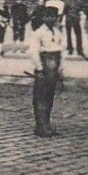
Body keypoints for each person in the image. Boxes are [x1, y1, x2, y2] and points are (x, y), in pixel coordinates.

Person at [26, 7, 65, 137]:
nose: (51, 19)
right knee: (40, 97)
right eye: (48, 16)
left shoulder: (57, 32)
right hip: (44, 64)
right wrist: (40, 68)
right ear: (43, 17)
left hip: (54, 64)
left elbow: (61, 51)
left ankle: (47, 124)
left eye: (53, 17)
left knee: (49, 96)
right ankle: (41, 126)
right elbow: (33, 51)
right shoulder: (38, 33)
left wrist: (60, 68)